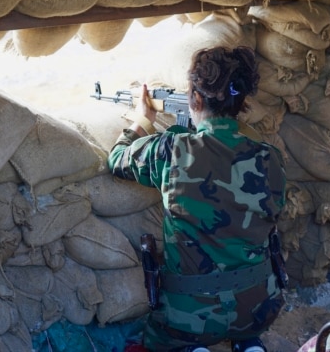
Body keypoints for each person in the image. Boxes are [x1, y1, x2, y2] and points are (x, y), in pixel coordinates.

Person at [108, 46, 287, 352]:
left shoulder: (171, 150)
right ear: (242, 103)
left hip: (186, 318)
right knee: (242, 314)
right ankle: (248, 344)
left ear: (196, 98)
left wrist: (143, 119)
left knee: (144, 340)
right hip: (260, 308)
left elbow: (117, 159)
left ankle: (195, 347)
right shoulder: (270, 158)